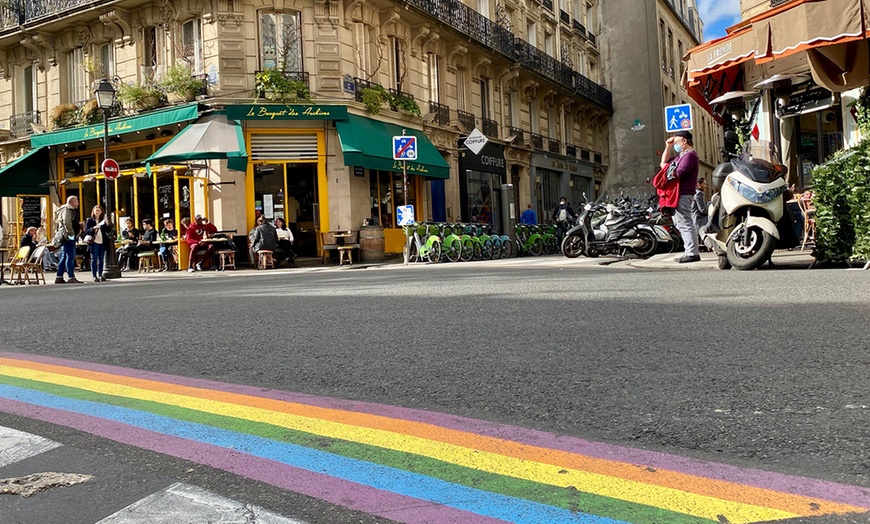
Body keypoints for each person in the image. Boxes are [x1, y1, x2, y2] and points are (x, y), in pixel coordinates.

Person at [660, 130, 701, 263]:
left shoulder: (690, 155)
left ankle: (692, 253)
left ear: (684, 141)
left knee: (684, 222)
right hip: (680, 193)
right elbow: (664, 163)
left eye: (677, 142)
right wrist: (668, 146)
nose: (675, 145)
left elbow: (680, 172)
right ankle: (690, 251)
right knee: (680, 222)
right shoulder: (681, 156)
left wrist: (669, 173)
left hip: (683, 193)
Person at [54, 195, 82, 284]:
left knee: (64, 256)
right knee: (70, 256)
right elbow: (67, 222)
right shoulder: (68, 209)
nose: (78, 203)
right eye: (77, 201)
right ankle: (71, 276)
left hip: (65, 236)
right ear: (73, 202)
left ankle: (59, 277)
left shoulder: (64, 209)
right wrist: (72, 234)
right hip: (68, 236)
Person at [84, 205, 111, 282]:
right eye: (96, 211)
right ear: (93, 212)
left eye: (99, 211)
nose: (97, 212)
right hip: (94, 242)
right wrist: (93, 228)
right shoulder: (90, 220)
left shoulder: (103, 220)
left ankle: (100, 274)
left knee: (101, 259)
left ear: (101, 212)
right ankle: (94, 275)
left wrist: (107, 223)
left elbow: (108, 231)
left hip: (102, 241)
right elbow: (86, 231)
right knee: (94, 258)